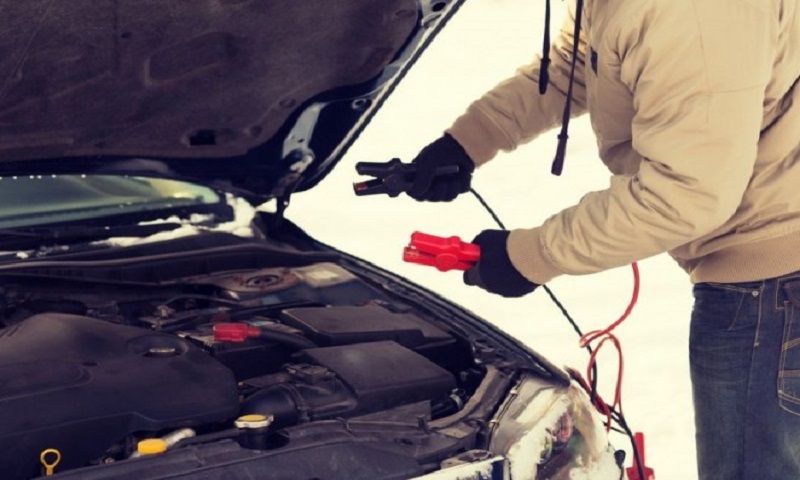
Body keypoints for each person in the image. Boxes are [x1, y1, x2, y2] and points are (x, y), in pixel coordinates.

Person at [405, 0, 800, 478]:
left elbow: (686, 193)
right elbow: (576, 62)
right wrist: (470, 140)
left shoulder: (691, 12)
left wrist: (528, 256)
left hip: (773, 289)